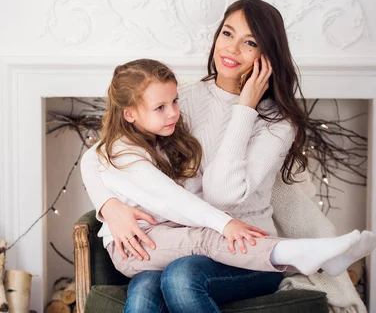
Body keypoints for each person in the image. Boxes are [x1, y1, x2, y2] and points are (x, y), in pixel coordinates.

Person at [80, 0, 368, 312]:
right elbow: (99, 155)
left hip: (244, 251)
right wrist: (109, 207)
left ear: (267, 56)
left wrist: (244, 109)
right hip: (179, 239)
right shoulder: (179, 98)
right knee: (143, 292)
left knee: (181, 277)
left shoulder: (278, 123)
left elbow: (222, 194)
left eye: (250, 42)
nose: (231, 49)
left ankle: (290, 254)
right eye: (227, 34)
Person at [81, 58, 375, 279]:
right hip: (136, 247)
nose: (173, 113)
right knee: (208, 237)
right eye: (160, 107)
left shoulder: (159, 138)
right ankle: (303, 253)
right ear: (130, 113)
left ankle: (315, 256)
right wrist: (225, 222)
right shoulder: (122, 153)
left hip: (166, 236)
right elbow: (170, 198)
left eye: (175, 101)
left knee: (201, 241)